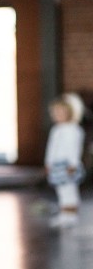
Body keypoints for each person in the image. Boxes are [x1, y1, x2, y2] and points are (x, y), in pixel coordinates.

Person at [45, 97, 85, 228]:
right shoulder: (56, 130)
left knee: (69, 190)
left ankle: (72, 215)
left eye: (60, 112)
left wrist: (73, 164)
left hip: (68, 165)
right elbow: (51, 147)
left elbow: (75, 148)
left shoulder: (74, 130)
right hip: (57, 165)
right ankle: (64, 215)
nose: (57, 116)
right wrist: (48, 162)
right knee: (61, 190)